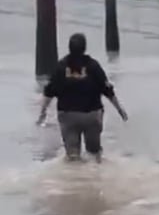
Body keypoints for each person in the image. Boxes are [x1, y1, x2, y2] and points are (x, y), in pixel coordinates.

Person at [36, 33, 128, 161]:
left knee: (72, 156)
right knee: (94, 153)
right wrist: (120, 110)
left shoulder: (61, 67)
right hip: (91, 115)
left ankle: (75, 177)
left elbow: (48, 92)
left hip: (68, 116)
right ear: (84, 48)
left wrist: (42, 113)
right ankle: (96, 176)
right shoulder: (93, 66)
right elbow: (107, 90)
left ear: (69, 48)